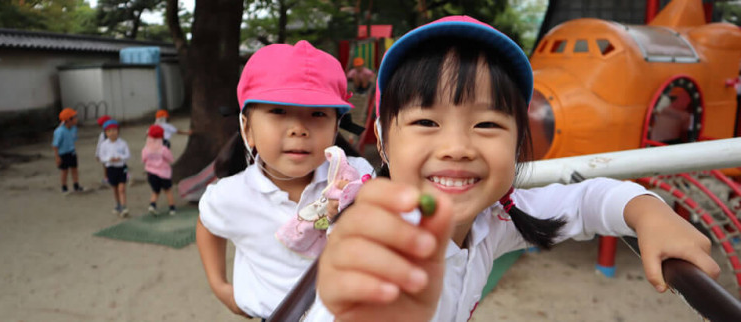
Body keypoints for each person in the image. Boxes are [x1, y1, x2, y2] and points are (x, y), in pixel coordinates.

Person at [307, 16, 720, 322]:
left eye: (487, 124)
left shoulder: (494, 220)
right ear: (382, 140)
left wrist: (648, 211)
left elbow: (585, 201)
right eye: (426, 122)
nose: (457, 148)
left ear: (519, 139)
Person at [195, 40, 374, 319]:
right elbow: (207, 225)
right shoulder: (230, 196)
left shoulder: (356, 176)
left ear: (336, 127)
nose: (299, 129)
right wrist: (220, 287)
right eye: (278, 111)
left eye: (317, 114)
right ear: (247, 127)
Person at [98, 120, 131, 217]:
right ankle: (118, 204)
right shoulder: (104, 145)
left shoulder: (123, 143)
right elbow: (101, 157)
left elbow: (128, 155)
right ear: (105, 133)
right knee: (115, 188)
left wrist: (120, 158)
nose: (112, 133)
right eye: (109, 131)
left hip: (121, 168)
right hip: (111, 168)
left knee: (122, 188)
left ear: (118, 131)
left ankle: (124, 206)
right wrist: (109, 159)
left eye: (114, 130)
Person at [142, 124, 176, 216]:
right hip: (164, 173)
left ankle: (152, 205)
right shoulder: (163, 149)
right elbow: (170, 159)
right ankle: (172, 208)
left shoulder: (146, 149)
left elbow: (144, 159)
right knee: (168, 190)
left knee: (155, 191)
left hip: (151, 173)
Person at [52, 107, 83, 194]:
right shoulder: (59, 131)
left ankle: (76, 185)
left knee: (74, 169)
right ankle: (64, 187)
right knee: (64, 170)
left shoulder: (74, 129)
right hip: (63, 153)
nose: (76, 119)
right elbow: (55, 145)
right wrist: (57, 157)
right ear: (69, 120)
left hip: (72, 152)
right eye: (75, 117)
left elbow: (74, 139)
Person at [95, 115, 112, 186]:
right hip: (105, 153)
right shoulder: (103, 134)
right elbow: (99, 145)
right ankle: (107, 177)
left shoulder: (104, 134)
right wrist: (97, 154)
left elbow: (99, 145)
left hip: (112, 152)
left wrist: (97, 154)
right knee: (106, 165)